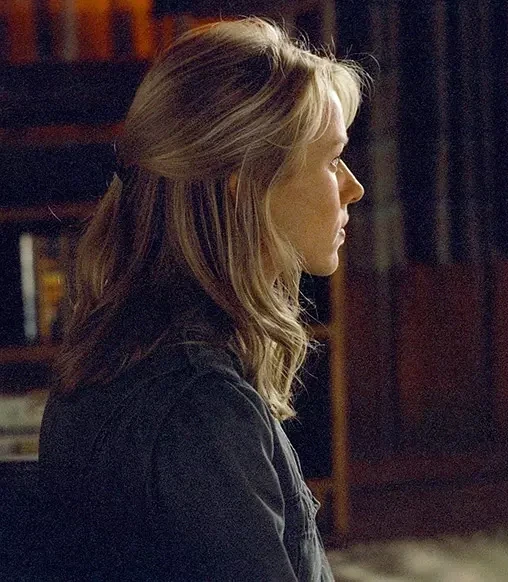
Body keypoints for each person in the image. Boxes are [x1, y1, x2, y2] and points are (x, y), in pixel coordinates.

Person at [38, 17, 365, 581]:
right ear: (246, 184)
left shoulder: (122, 355)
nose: (353, 187)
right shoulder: (201, 411)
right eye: (331, 160)